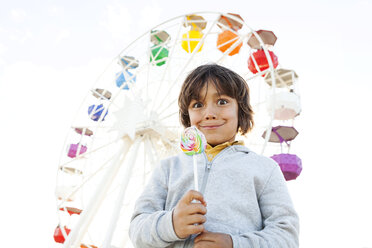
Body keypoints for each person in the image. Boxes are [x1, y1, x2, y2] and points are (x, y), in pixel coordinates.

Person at [129, 64, 299, 248]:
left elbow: (286, 237)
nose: (209, 114)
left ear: (240, 111)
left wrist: (235, 244)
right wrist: (171, 224)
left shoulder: (265, 169)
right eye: (198, 105)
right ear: (188, 116)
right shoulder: (169, 168)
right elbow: (137, 229)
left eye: (222, 102)